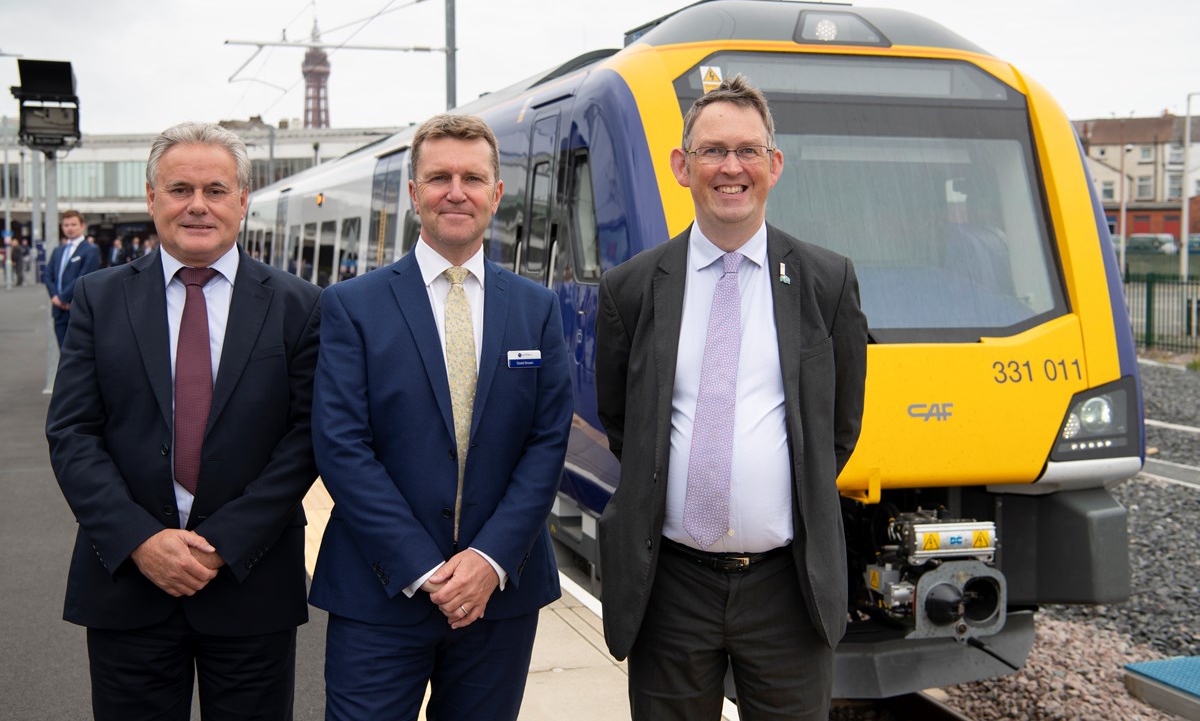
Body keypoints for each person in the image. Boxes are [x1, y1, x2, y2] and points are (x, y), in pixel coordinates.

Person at [594, 75, 868, 720]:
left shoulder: (826, 281)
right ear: (682, 167)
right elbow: (623, 424)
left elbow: (840, 426)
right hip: (670, 587)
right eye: (713, 151)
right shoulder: (632, 289)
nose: (731, 167)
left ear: (773, 165)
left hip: (787, 586)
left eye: (748, 150)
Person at [45, 122, 322, 721]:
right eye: (179, 190)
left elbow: (305, 439)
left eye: (217, 190)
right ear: (151, 199)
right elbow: (71, 433)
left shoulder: (300, 305)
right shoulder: (100, 298)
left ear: (243, 201)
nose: (198, 205)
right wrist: (140, 541)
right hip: (127, 584)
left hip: (251, 585)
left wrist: (225, 542)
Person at [309, 113, 573, 721]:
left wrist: (487, 561)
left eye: (473, 178)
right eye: (439, 177)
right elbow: (342, 447)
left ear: (496, 193)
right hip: (380, 592)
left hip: (498, 600)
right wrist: (424, 569)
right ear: (413, 193)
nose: (457, 191)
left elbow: (546, 443)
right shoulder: (351, 306)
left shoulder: (536, 309)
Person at [44, 210, 101, 347]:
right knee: (62, 353)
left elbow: (83, 276)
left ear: (82, 226)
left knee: (78, 354)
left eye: (74, 224)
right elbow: (48, 275)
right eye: (66, 225)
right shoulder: (58, 250)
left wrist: (63, 297)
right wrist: (55, 297)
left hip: (76, 309)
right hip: (58, 310)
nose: (70, 228)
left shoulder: (90, 249)